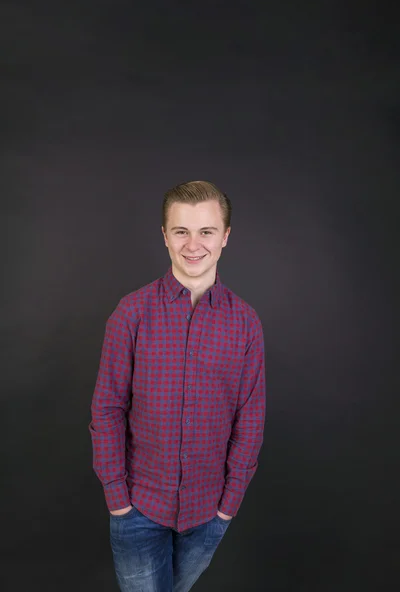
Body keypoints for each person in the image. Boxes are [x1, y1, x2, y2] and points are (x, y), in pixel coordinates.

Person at [89, 180, 266, 591]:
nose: (193, 244)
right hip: (137, 509)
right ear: (165, 235)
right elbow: (108, 408)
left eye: (206, 231)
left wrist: (228, 505)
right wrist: (118, 499)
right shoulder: (131, 314)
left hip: (209, 513)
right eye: (181, 231)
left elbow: (250, 418)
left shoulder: (245, 323)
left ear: (225, 236)